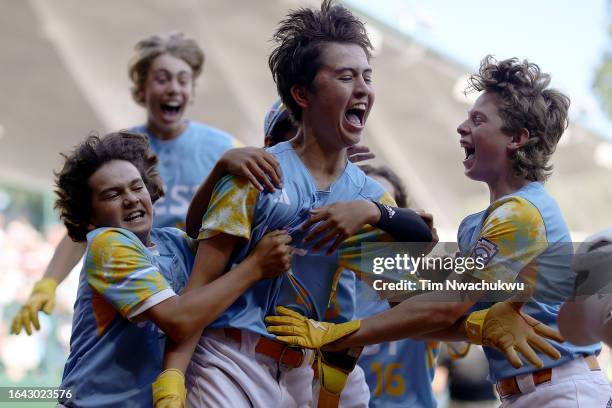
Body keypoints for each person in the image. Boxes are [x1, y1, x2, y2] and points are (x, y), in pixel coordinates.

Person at [266, 56, 612, 406]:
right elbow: (431, 310)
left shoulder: (521, 215)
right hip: (530, 392)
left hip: (565, 390)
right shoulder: (477, 224)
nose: (462, 127)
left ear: (518, 138)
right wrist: (368, 237)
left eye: (478, 119)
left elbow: (443, 309)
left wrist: (336, 334)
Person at [158, 2, 431, 406]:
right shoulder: (252, 175)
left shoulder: (372, 199)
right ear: (301, 94)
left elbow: (413, 299)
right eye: (345, 76)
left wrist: (485, 307)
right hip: (229, 364)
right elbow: (197, 293)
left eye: (366, 76)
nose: (362, 89)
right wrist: (172, 379)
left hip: (303, 377)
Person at [10, 32, 281, 336]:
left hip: (196, 298)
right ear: (141, 91)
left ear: (192, 92)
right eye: (162, 79)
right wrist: (47, 283)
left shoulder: (225, 149)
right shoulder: (117, 153)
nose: (173, 88)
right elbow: (82, 227)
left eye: (182, 79)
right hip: (133, 296)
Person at [52, 131, 293, 407]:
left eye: (136, 186)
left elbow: (203, 234)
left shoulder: (173, 242)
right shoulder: (107, 245)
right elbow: (178, 321)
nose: (130, 198)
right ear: (89, 219)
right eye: (112, 194)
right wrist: (255, 267)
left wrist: (220, 169)